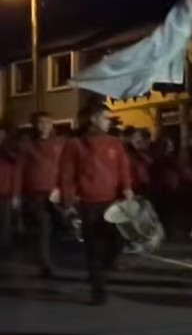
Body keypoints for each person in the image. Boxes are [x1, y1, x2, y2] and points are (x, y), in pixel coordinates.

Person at [59, 103, 134, 305]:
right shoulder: (75, 144)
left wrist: (127, 188)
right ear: (93, 119)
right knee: (94, 248)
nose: (108, 121)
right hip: (88, 203)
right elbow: (66, 176)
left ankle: (104, 266)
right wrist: (68, 203)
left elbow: (123, 168)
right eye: (105, 117)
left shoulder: (114, 143)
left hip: (112, 202)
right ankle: (98, 289)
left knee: (118, 241)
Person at [14, 111, 66, 278]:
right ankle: (45, 263)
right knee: (44, 227)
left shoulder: (60, 143)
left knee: (59, 227)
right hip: (36, 192)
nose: (44, 126)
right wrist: (16, 194)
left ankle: (52, 259)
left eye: (47, 122)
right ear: (35, 125)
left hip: (56, 192)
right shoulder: (28, 145)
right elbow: (19, 170)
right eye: (41, 122)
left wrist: (63, 188)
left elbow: (66, 167)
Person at [0, 124, 18, 274]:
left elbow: (17, 167)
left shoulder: (9, 150)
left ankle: (5, 250)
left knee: (5, 222)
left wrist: (15, 193)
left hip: (5, 191)